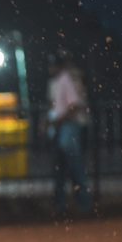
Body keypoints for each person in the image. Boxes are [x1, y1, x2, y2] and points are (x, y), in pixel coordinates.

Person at [45, 51, 92, 216]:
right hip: (65, 127)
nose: (50, 68)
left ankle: (81, 204)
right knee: (65, 168)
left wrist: (56, 120)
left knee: (73, 167)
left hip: (69, 126)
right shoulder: (62, 80)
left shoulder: (66, 79)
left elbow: (74, 105)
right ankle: (69, 204)